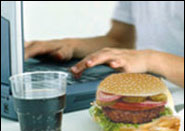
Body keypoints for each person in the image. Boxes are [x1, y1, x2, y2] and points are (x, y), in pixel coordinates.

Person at [25, 1, 184, 87]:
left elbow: (144, 57)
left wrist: (150, 59)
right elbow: (121, 40)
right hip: (154, 92)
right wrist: (71, 45)